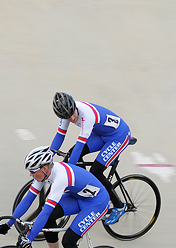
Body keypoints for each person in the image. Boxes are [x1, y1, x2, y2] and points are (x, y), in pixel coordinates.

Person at [0, 146, 112, 248]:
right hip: (78, 197)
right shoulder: (44, 174)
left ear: (44, 168)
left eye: (32, 171)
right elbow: (28, 199)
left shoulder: (60, 177)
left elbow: (43, 213)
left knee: (69, 241)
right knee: (49, 216)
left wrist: (29, 238)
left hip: (96, 203)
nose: (30, 174)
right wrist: (9, 223)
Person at [50, 92, 130, 225]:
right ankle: (85, 188)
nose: (72, 118)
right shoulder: (66, 114)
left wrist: (69, 172)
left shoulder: (87, 115)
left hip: (117, 136)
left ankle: (119, 206)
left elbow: (80, 145)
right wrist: (49, 155)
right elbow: (60, 136)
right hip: (100, 133)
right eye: (67, 117)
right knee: (71, 154)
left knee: (96, 171)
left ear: (74, 106)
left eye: (73, 113)